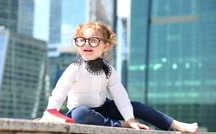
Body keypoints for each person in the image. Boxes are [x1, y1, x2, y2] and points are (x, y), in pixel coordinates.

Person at [42, 21, 198, 133]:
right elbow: (59, 91)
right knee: (79, 114)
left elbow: (120, 95)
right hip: (83, 111)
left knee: (137, 106)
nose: (86, 44)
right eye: (82, 40)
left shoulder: (108, 69)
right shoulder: (75, 68)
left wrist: (130, 118)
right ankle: (119, 124)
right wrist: (51, 111)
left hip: (104, 108)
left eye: (93, 41)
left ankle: (176, 124)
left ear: (105, 46)